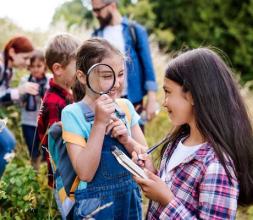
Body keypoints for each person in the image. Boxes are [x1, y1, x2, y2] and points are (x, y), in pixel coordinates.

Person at [133, 48, 253, 219]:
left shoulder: (216, 166)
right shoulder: (179, 140)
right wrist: (154, 174)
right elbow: (182, 191)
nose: (164, 102)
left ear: (193, 96)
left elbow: (172, 199)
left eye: (168, 92)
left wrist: (167, 201)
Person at [61, 38, 147, 219]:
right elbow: (85, 173)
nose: (117, 83)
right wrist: (99, 123)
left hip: (129, 202)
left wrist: (128, 140)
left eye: (121, 74)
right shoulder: (72, 114)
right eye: (107, 76)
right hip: (95, 208)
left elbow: (148, 166)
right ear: (83, 76)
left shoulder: (125, 107)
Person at [91, 0, 158, 130]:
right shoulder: (96, 35)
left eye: (98, 10)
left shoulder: (135, 31)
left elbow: (148, 66)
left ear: (112, 5)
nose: (96, 14)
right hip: (107, 100)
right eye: (94, 10)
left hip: (134, 100)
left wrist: (152, 98)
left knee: (136, 142)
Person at [37, 34, 79, 187]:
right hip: (64, 175)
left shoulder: (68, 93)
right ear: (58, 69)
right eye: (77, 66)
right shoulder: (54, 103)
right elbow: (56, 144)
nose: (81, 71)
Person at [0, 36, 37, 177]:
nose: (27, 62)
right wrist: (19, 90)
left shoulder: (9, 71)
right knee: (7, 144)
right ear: (12, 52)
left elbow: (3, 98)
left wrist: (20, 98)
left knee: (8, 144)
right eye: (25, 58)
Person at [19, 50, 51, 170]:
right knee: (33, 151)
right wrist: (25, 93)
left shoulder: (49, 80)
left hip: (45, 123)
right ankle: (35, 174)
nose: (36, 69)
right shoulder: (25, 80)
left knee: (46, 151)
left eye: (39, 66)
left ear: (44, 66)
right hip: (28, 122)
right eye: (32, 66)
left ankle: (47, 175)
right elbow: (19, 102)